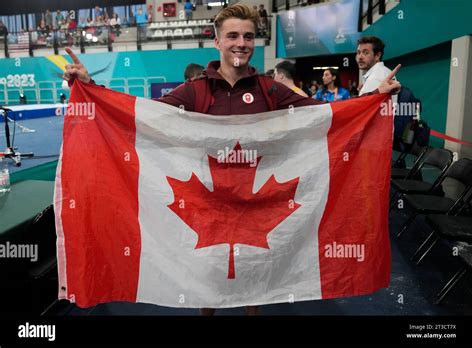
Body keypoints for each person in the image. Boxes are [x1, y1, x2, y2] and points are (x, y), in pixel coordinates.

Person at [62, 3, 401, 316]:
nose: (241, 43)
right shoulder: (195, 90)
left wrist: (373, 98)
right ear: (217, 41)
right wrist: (93, 89)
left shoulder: (270, 89)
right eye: (233, 36)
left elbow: (325, 116)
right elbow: (141, 117)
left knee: (255, 280)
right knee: (207, 284)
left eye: (249, 36)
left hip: (259, 204)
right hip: (208, 204)